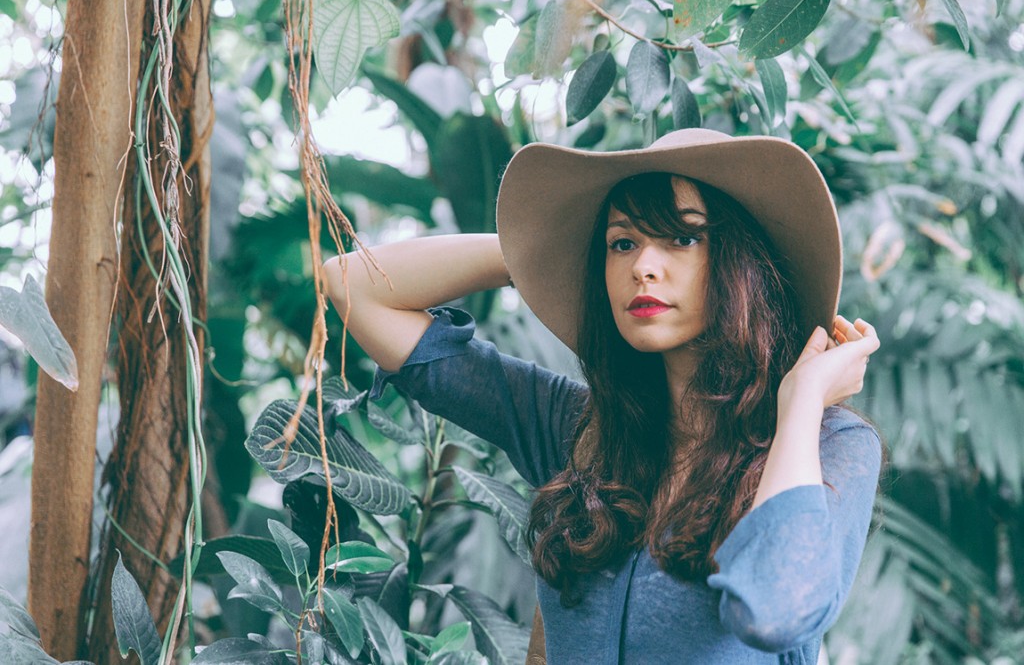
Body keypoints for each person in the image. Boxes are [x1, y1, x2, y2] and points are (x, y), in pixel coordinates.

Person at [322, 128, 883, 664]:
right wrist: (546, 255)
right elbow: (354, 286)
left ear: (743, 263)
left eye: (683, 237)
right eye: (623, 243)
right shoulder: (577, 428)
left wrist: (801, 403)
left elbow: (776, 612)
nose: (643, 267)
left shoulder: (832, 445)